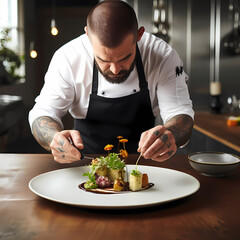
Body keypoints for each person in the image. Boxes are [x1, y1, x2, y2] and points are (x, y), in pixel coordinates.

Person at [29, 1, 194, 164]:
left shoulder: (162, 56)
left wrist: (170, 135)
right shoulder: (68, 58)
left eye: (125, 57)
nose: (115, 70)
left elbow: (180, 113)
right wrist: (53, 138)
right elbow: (44, 112)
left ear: (139, 35)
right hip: (85, 164)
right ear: (88, 36)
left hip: (145, 164)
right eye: (103, 60)